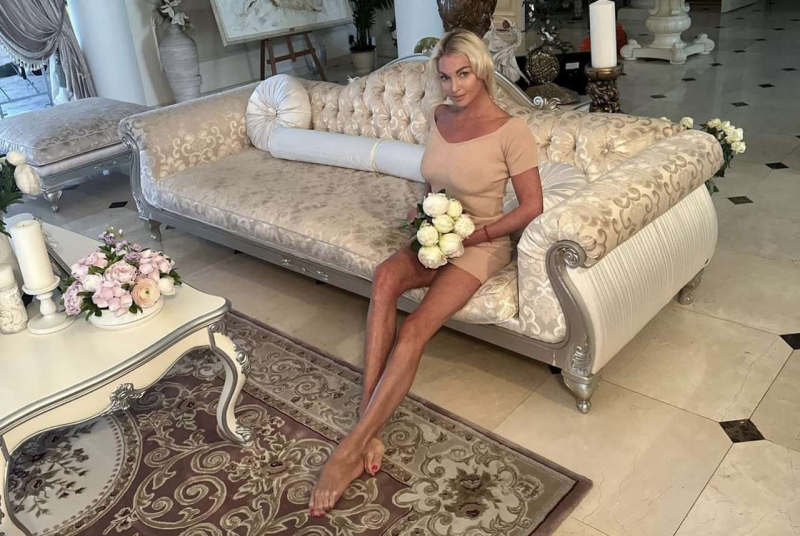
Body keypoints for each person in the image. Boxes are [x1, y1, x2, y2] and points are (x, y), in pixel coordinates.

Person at [309, 28, 544, 517]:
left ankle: (348, 451)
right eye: (445, 77)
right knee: (384, 278)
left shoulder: (511, 130)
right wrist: (425, 220)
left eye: (463, 75)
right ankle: (367, 429)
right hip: (436, 234)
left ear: (482, 71)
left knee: (415, 327)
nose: (454, 87)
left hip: (481, 244)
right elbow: (434, 182)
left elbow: (531, 207)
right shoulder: (439, 116)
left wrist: (477, 236)